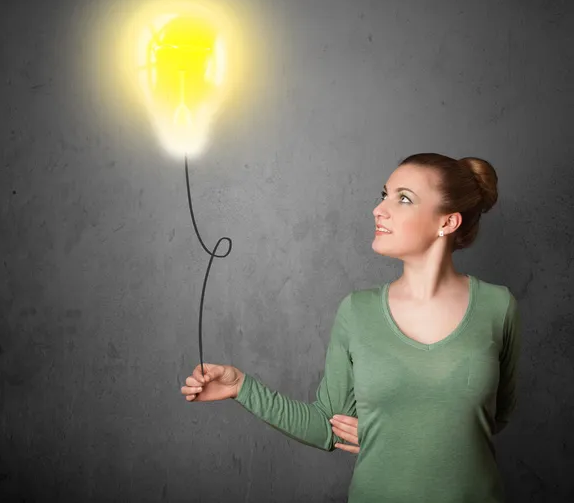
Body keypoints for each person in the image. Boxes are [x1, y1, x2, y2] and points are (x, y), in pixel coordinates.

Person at [180, 152, 522, 503]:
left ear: (447, 223)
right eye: (384, 194)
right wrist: (242, 387)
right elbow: (325, 427)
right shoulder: (357, 312)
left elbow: (492, 418)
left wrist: (390, 435)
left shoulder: (499, 307)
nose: (379, 209)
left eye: (403, 198)